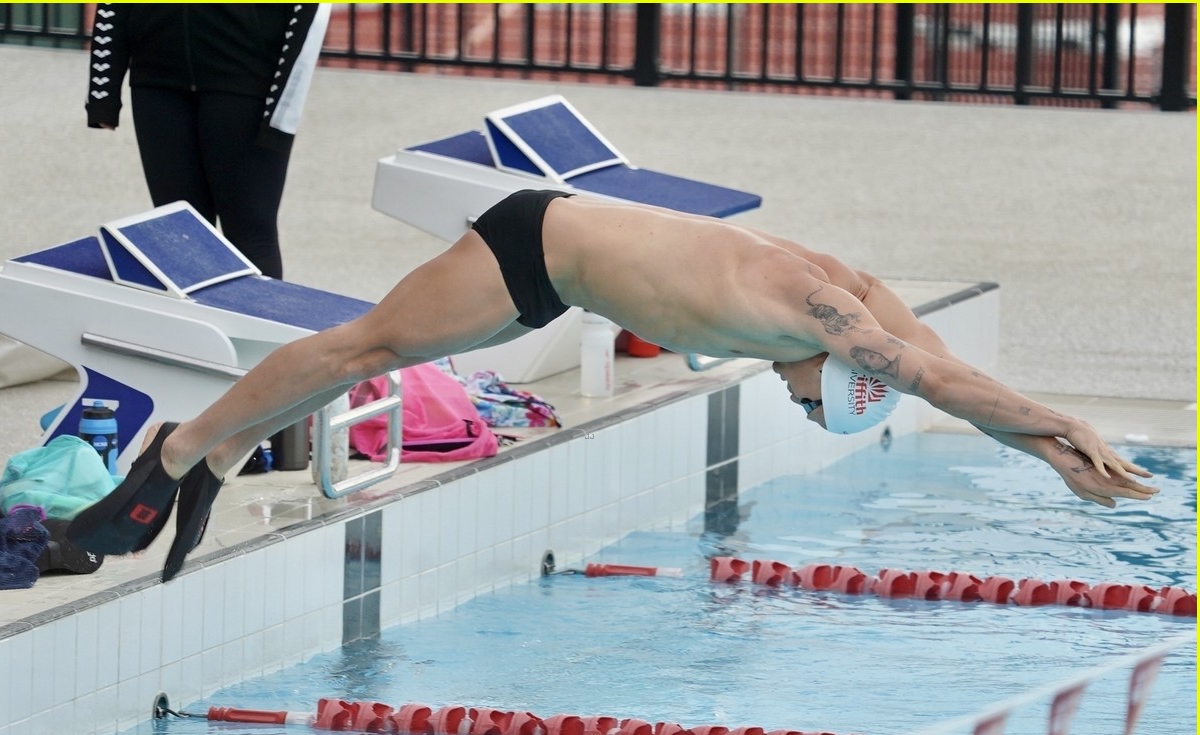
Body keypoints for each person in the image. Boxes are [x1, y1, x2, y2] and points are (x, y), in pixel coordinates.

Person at [68, 190, 1157, 580]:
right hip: (534, 244)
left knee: (383, 359)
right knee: (365, 349)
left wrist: (1051, 459)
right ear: (833, 368)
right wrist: (1065, 422)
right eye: (807, 400)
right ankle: (176, 449)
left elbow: (950, 381)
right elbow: (933, 379)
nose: (790, 398)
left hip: (564, 268)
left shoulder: (850, 302)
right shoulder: (814, 315)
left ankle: (207, 454)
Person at [85, 3, 330, 279]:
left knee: (250, 233)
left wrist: (282, 113)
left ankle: (258, 321)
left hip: (245, 84)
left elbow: (312, 11)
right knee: (180, 232)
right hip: (156, 82)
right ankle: (188, 322)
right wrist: (102, 93)